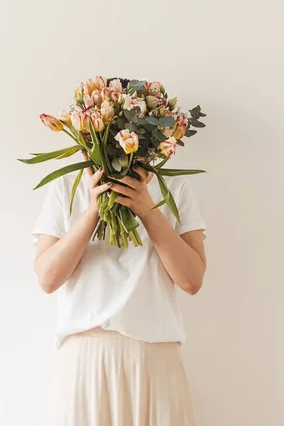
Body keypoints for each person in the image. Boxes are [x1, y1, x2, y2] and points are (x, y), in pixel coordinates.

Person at [31, 80, 207, 426]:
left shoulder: (174, 188)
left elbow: (191, 280)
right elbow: (48, 278)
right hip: (85, 358)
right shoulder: (68, 186)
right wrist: (95, 208)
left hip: (156, 357)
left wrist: (146, 209)